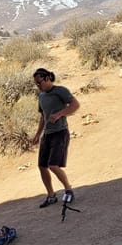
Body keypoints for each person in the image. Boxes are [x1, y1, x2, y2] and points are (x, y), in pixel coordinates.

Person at [31, 67, 80, 208]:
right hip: (47, 134)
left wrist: (60, 114)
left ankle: (68, 189)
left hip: (60, 132)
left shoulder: (60, 91)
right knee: (42, 166)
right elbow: (43, 116)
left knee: (53, 165)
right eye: (36, 84)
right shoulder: (41, 97)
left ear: (47, 78)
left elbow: (75, 105)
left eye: (39, 82)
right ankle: (51, 195)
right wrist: (37, 134)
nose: (38, 86)